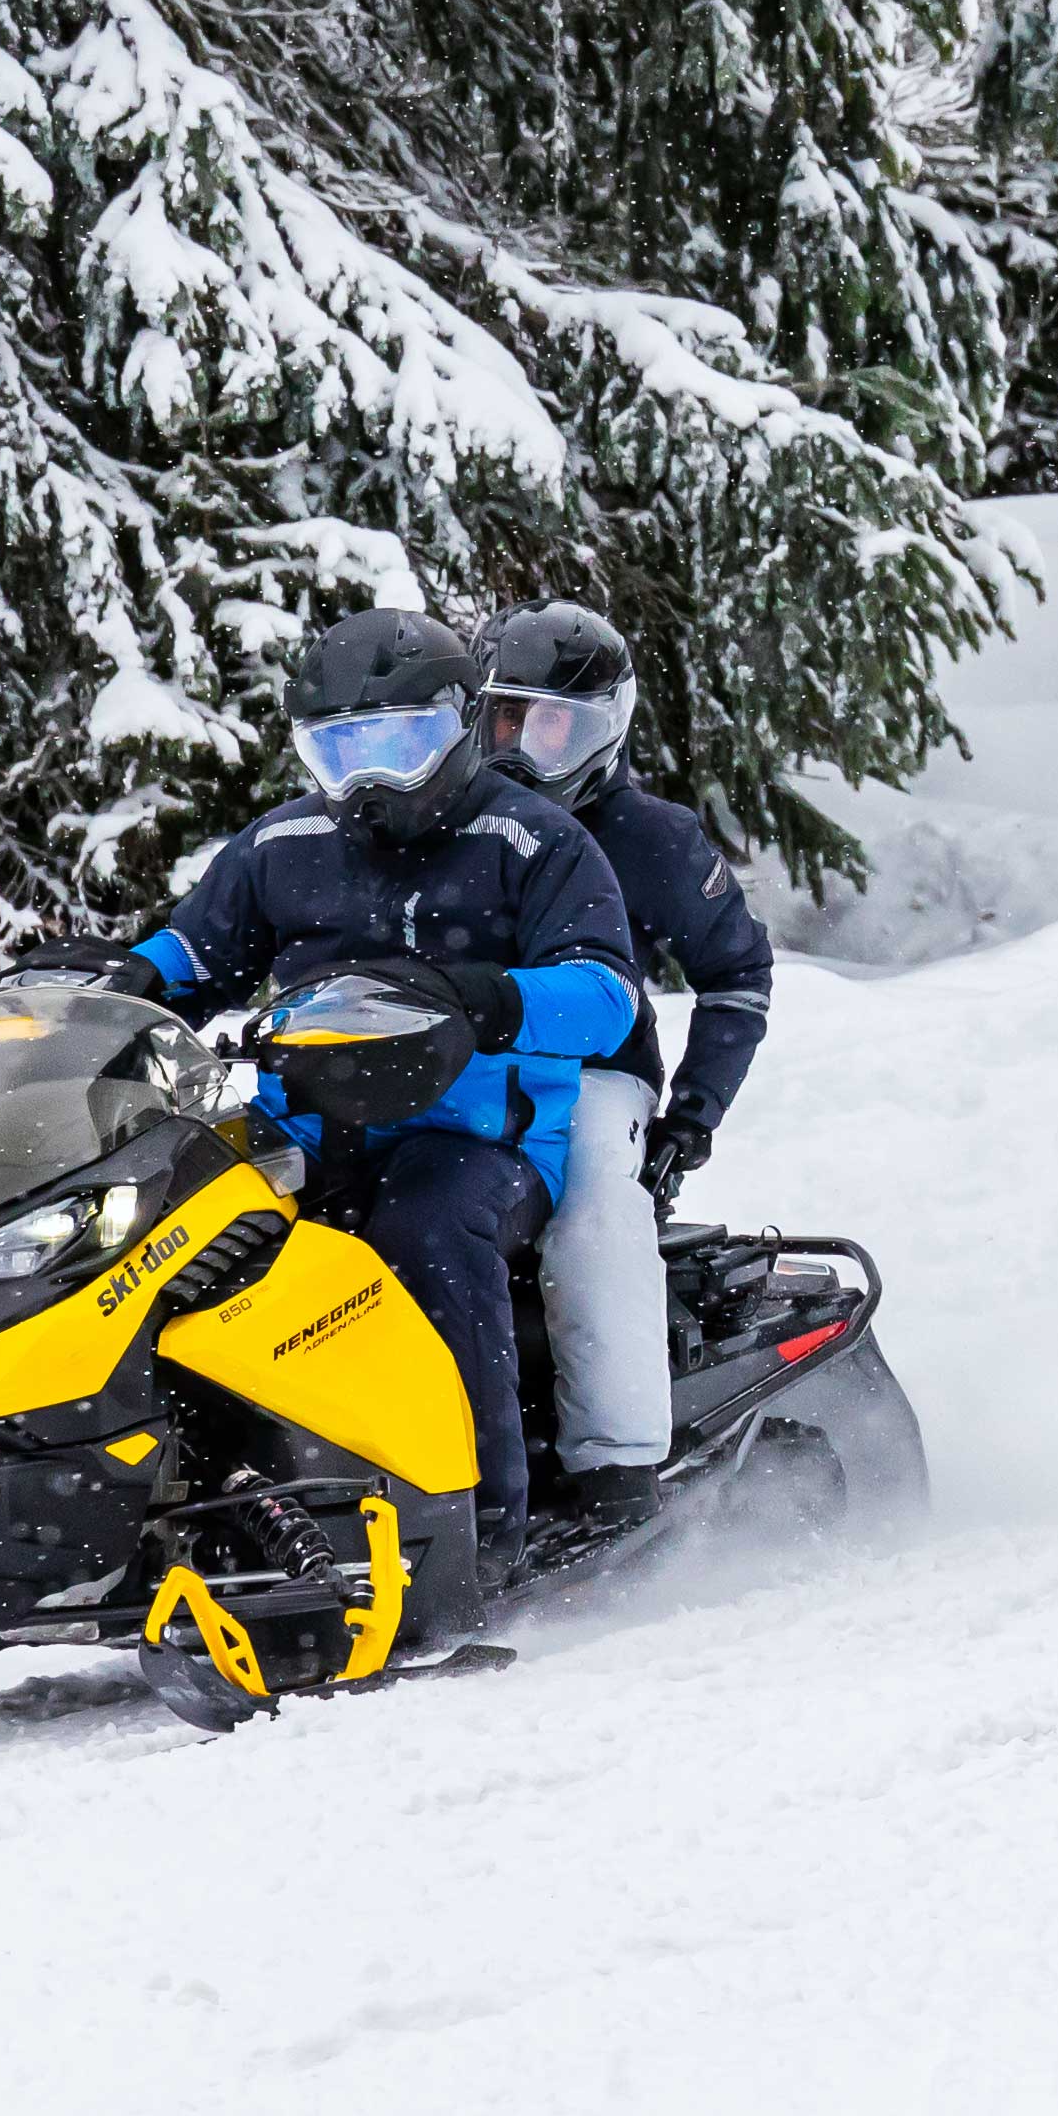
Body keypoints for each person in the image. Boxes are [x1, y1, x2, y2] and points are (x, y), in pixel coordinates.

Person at [100, 608, 639, 1578]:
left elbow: (603, 996)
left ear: (461, 724)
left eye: (401, 744)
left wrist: (493, 999)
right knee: (162, 1222)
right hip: (298, 1113)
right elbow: (200, 946)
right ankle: (155, 1488)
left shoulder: (531, 840)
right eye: (339, 750)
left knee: (423, 1230)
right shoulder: (284, 841)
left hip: (479, 1132)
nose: (370, 779)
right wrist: (131, 978)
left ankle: (476, 1528)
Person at [474, 601, 775, 1525]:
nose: (524, 750)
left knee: (595, 1214)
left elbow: (737, 976)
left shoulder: (654, 839)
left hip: (595, 1074)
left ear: (606, 728)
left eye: (553, 725)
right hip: (450, 1063)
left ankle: (616, 1466)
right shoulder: (450, 826)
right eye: (503, 722)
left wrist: (693, 1115)